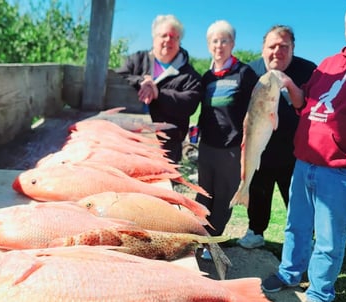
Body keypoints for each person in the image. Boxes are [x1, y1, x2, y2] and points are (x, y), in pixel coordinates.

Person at [261, 0, 346, 302]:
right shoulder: (330, 62)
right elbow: (305, 103)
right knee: (296, 225)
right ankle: (290, 273)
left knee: (329, 238)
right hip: (305, 163)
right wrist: (288, 84)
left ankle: (319, 294)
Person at [237, 25, 317, 249]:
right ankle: (255, 231)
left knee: (298, 199)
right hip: (260, 146)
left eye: (284, 46)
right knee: (258, 192)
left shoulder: (308, 70)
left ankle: (305, 240)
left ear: (293, 48)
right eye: (272, 46)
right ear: (263, 48)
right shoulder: (250, 71)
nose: (277, 51)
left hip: (297, 150)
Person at [195, 20, 259, 259]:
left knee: (223, 197)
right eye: (214, 41)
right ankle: (198, 237)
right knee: (203, 195)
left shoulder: (244, 73)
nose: (219, 45)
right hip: (207, 146)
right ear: (209, 45)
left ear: (232, 43)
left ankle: (214, 243)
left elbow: (257, 108)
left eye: (224, 40)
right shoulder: (207, 76)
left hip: (232, 148)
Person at [115, 14, 202, 164]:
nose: (168, 40)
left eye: (174, 37)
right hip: (129, 139)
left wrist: (158, 94)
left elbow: (189, 104)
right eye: (164, 35)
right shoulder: (137, 60)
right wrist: (141, 81)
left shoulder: (190, 75)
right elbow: (118, 79)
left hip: (167, 145)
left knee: (160, 185)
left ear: (179, 41)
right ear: (154, 37)